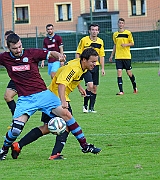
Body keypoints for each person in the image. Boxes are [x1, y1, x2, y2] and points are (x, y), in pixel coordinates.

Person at [0, 33, 101, 160]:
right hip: (25, 99)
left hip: (44, 95)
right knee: (15, 130)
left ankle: (84, 145)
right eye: (15, 48)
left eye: (20, 46)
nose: (19, 50)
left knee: (67, 115)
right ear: (8, 47)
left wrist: (58, 55)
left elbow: (50, 53)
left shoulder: (31, 53)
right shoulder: (4, 58)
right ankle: (3, 150)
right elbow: (62, 83)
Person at [75, 23, 105, 113]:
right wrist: (78, 65)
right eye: (92, 29)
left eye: (96, 30)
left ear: (98, 31)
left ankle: (91, 108)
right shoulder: (84, 40)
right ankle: (85, 106)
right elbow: (78, 53)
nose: (94, 31)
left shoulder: (100, 41)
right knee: (90, 85)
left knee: (95, 88)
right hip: (86, 67)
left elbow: (102, 55)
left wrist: (102, 68)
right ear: (89, 31)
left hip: (96, 67)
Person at [109, 18, 138, 95]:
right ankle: (121, 91)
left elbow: (132, 43)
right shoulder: (115, 34)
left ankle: (135, 87)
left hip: (126, 56)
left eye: (122, 23)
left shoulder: (128, 33)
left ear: (124, 24)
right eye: (119, 23)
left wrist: (125, 45)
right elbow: (115, 45)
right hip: (118, 57)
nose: (121, 24)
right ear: (118, 24)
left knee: (129, 73)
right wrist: (111, 55)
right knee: (119, 72)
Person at [3, 30, 17, 118]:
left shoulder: (23, 53)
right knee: (7, 96)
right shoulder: (6, 56)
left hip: (26, 79)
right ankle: (16, 118)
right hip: (15, 79)